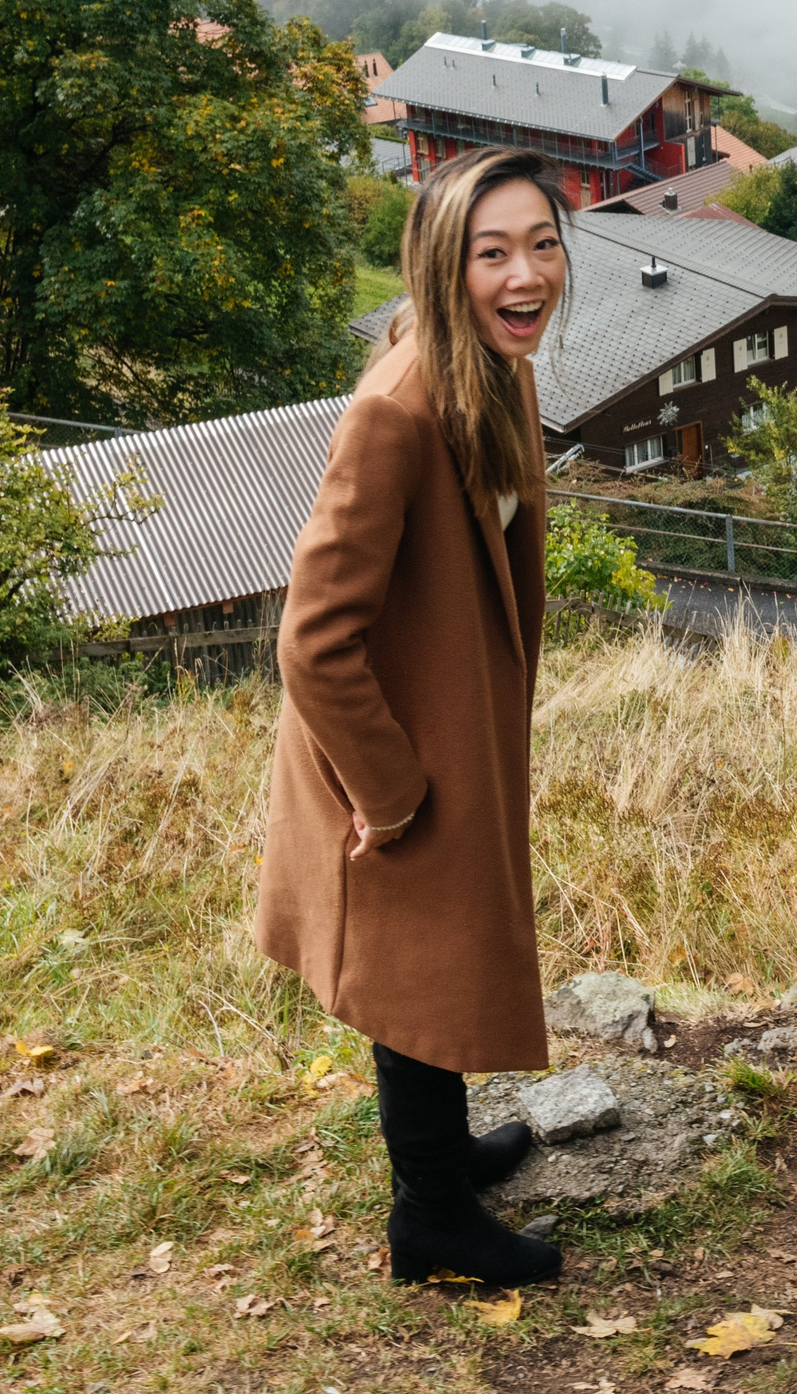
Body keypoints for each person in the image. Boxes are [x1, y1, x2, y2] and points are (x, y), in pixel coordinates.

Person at [257, 147, 571, 1287]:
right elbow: (311, 636)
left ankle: (436, 1158)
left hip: (447, 721)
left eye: (542, 242)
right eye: (493, 250)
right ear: (446, 266)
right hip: (387, 743)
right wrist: (387, 792)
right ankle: (430, 1215)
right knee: (414, 963)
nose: (526, 271)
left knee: (429, 959)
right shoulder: (396, 409)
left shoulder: (495, 366)